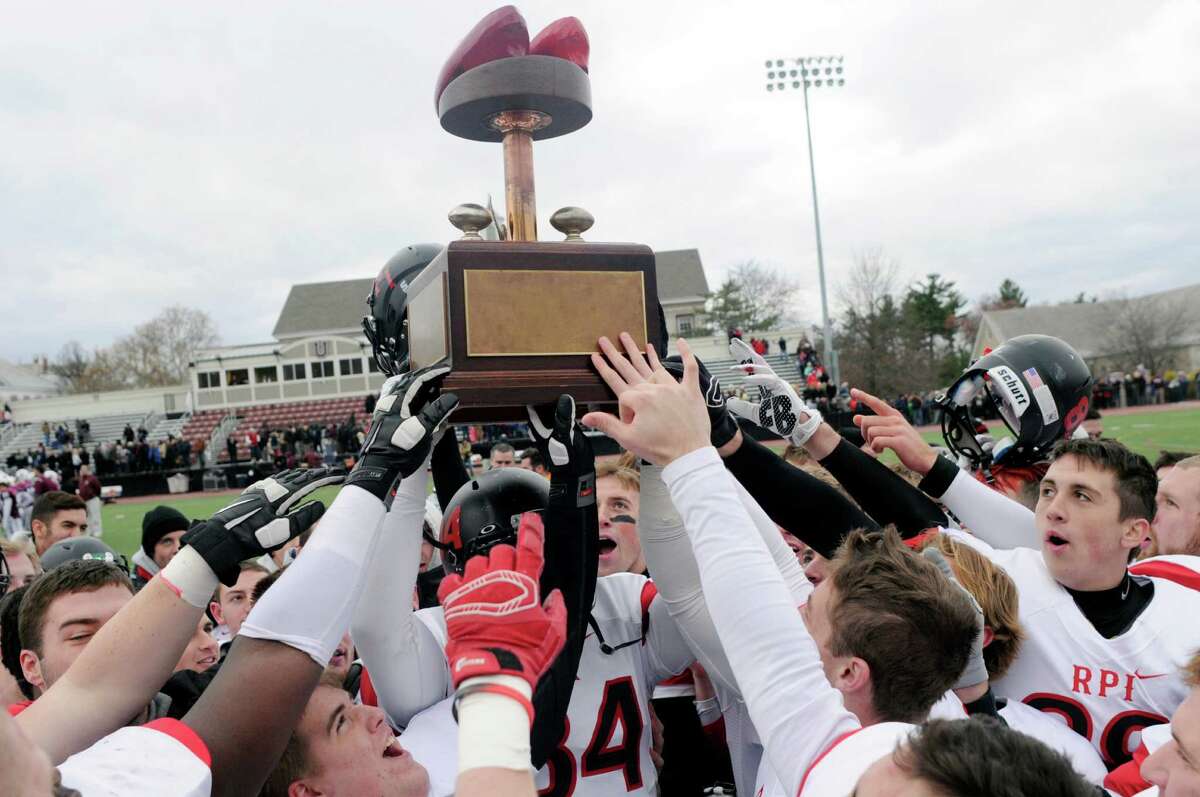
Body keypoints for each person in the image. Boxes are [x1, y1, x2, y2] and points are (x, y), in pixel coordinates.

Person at [581, 336, 1095, 795]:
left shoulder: (850, 756)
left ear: (851, 671)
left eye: (813, 611)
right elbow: (790, 561)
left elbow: (731, 595)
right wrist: (713, 443)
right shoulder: (926, 706)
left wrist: (686, 456)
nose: (802, 595)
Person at [853, 388, 1200, 766]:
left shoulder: (1183, 599)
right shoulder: (1034, 574)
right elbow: (924, 527)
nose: (1052, 510)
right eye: (1048, 492)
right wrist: (820, 439)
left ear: (1136, 529)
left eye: (1170, 503)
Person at [131, 506, 190, 589]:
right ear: (150, 551)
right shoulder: (135, 592)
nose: (178, 549)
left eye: (183, 540)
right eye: (167, 542)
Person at [28, 492, 87, 557]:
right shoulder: (18, 565)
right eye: (68, 525)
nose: (77, 536)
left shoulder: (86, 559)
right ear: (39, 529)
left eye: (82, 528)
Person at [76, 464, 103, 538]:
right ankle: (89, 531)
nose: (83, 471)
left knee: (95, 515)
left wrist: (95, 496)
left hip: (92, 500)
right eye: (81, 469)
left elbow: (98, 488)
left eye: (84, 469)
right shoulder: (81, 479)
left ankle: (97, 531)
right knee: (87, 517)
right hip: (84, 501)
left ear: (87, 470)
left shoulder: (92, 478)